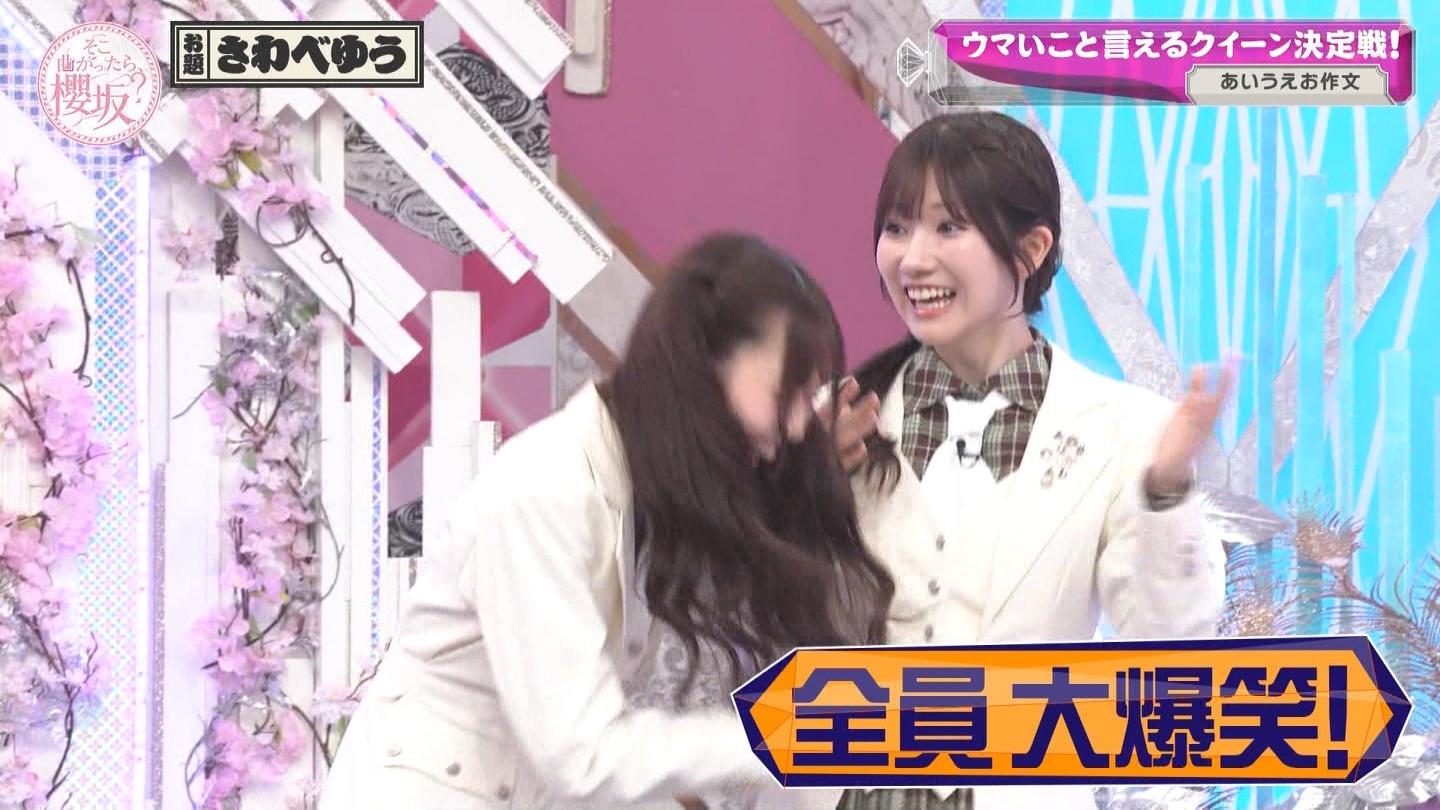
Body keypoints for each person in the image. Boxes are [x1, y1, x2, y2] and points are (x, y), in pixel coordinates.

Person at [321, 232, 894, 810]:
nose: (796, 426)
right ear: (699, 364)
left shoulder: (644, 488)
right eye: (786, 392)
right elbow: (583, 757)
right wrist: (788, 736)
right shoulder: (547, 492)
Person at [824, 112, 1233, 810]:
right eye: (897, 228)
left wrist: (1164, 495)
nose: (913, 259)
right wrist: (801, 488)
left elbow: (1166, 650)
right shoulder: (838, 419)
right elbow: (749, 618)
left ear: (1031, 249)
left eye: (948, 228)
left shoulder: (1125, 428)